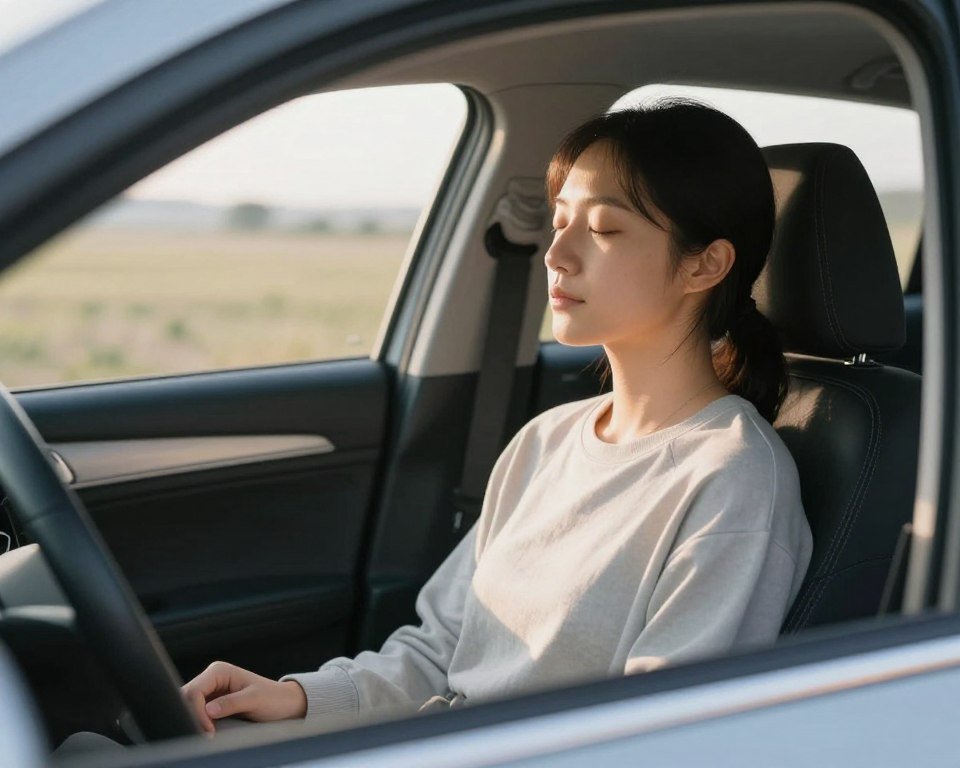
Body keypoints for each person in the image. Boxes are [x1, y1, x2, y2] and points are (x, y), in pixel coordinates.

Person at [181, 98, 813, 732]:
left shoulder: (733, 480)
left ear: (704, 264)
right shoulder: (547, 440)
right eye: (559, 221)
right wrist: (298, 696)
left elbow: (662, 734)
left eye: (603, 229)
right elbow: (437, 654)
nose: (556, 253)